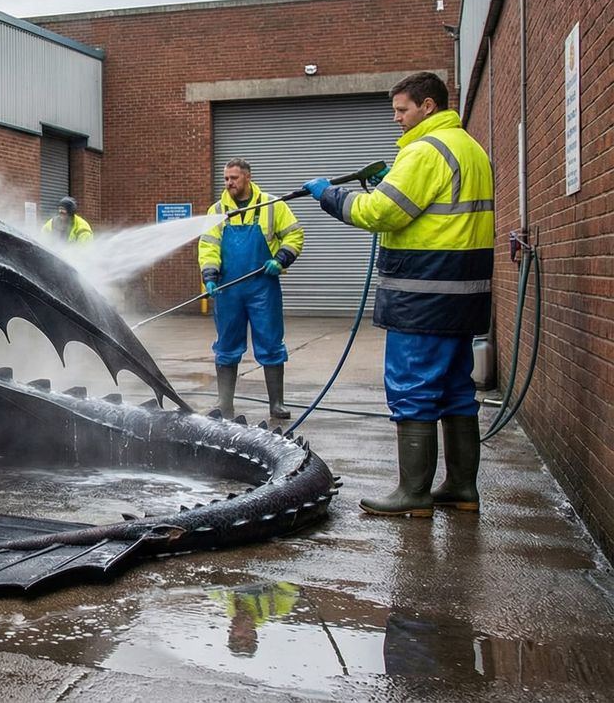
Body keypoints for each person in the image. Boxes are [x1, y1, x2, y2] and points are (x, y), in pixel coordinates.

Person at [302, 71, 492, 517]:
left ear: (428, 106)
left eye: (402, 110)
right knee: (456, 390)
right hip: (463, 293)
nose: (396, 119)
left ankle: (413, 494)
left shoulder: (425, 151)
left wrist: (330, 196)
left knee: (413, 388)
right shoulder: (469, 148)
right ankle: (462, 488)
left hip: (423, 294)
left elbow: (380, 212)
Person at [197, 158, 305, 420]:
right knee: (226, 344)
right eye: (226, 178)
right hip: (228, 289)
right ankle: (225, 404)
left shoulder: (272, 205)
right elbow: (208, 246)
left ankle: (276, 404)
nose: (228, 183)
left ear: (247, 177)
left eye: (233, 178)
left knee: (270, 342)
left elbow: (294, 234)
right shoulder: (217, 210)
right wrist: (209, 275)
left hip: (263, 287)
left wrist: (280, 260)